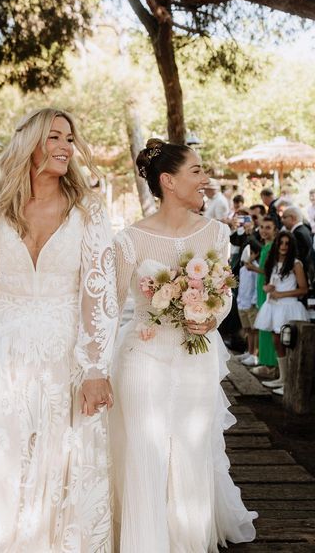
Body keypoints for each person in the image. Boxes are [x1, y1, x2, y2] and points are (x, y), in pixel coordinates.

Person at [0, 108, 118, 552]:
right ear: (31, 143)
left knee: (62, 460)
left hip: (66, 351)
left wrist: (96, 365)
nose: (65, 146)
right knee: (4, 457)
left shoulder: (88, 211)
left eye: (70, 139)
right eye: (55, 136)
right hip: (7, 353)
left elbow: (100, 293)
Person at [111, 138, 256, 552]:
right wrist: (93, 369)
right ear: (168, 182)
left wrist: (212, 315)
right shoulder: (130, 239)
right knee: (145, 450)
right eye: (196, 171)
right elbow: (109, 307)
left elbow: (223, 290)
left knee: (191, 448)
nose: (206, 179)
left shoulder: (216, 232)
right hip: (143, 353)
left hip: (196, 357)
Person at [254, 231, 309, 395]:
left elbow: (303, 289)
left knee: (288, 343)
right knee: (276, 341)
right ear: (276, 244)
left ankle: (290, 383)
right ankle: (282, 378)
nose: (284, 246)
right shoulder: (272, 262)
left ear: (291, 246)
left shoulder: (296, 264)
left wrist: (281, 294)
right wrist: (266, 288)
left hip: (288, 307)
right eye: (281, 243)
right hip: (273, 306)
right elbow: (267, 283)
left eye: (287, 243)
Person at [245, 216, 279, 377]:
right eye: (262, 227)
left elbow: (270, 271)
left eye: (268, 228)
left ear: (275, 230)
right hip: (260, 287)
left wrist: (253, 268)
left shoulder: (274, 247)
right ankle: (265, 362)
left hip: (266, 288)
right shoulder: (266, 246)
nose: (264, 231)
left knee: (266, 325)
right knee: (262, 324)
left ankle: (270, 364)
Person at [235, 241, 261, 364]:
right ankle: (249, 351)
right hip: (242, 303)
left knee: (254, 330)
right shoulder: (242, 269)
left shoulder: (256, 269)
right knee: (247, 329)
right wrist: (239, 300)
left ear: (256, 254)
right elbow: (242, 286)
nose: (248, 255)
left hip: (251, 304)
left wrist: (253, 301)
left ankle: (254, 354)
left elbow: (257, 286)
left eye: (251, 253)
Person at [281, 206, 314, 284]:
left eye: (284, 217)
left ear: (292, 218)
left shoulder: (297, 234)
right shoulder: (304, 229)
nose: (282, 220)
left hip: (302, 276)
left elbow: (298, 257)